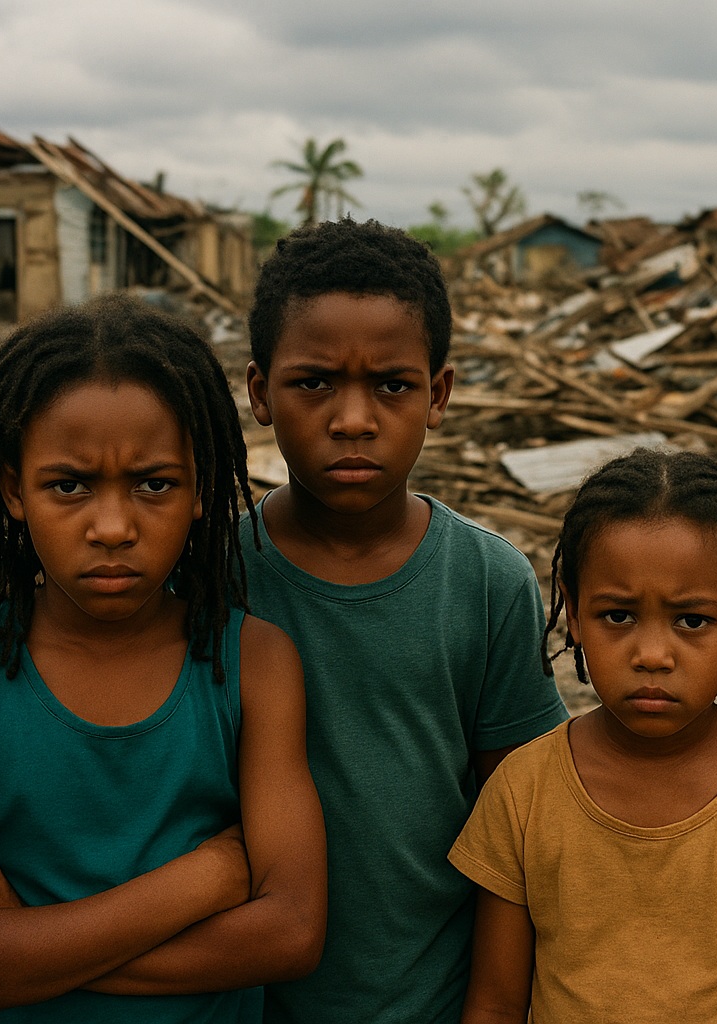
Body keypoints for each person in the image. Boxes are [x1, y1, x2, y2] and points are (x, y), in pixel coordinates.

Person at [0, 296, 327, 1023]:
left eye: (154, 484)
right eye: (69, 485)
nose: (113, 527)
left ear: (202, 491)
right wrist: (205, 880)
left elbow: (291, 934)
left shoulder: (251, 664)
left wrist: (18, 950)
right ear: (9, 488)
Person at [242, 218, 570, 1024]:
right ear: (257, 392)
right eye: (313, 382)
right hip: (241, 998)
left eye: (391, 385)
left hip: (436, 999)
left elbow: (518, 827)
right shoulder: (207, 576)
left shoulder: (486, 580)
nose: (353, 418)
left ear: (440, 395)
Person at [451, 449, 717, 1024]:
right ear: (572, 613)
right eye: (618, 616)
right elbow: (495, 1005)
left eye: (691, 620)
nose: (652, 656)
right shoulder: (522, 793)